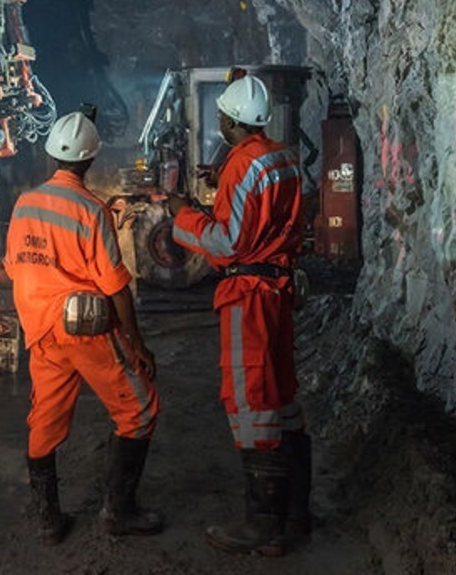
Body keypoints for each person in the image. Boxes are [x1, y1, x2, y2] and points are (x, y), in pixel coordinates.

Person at [167, 74, 312, 557]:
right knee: (281, 392)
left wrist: (182, 216)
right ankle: (296, 512)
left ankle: (263, 523)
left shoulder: (241, 165)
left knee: (250, 396)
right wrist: (222, 182)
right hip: (279, 288)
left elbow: (228, 242)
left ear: (226, 119)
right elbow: (269, 210)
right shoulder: (282, 156)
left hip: (247, 292)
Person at [4, 110, 163, 544]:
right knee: (140, 409)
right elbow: (116, 286)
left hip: (40, 332)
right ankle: (118, 511)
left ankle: (48, 521)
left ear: (52, 154)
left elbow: (15, 267)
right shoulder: (91, 211)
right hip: (85, 331)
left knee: (44, 422)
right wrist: (138, 344)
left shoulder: (24, 205)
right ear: (90, 160)